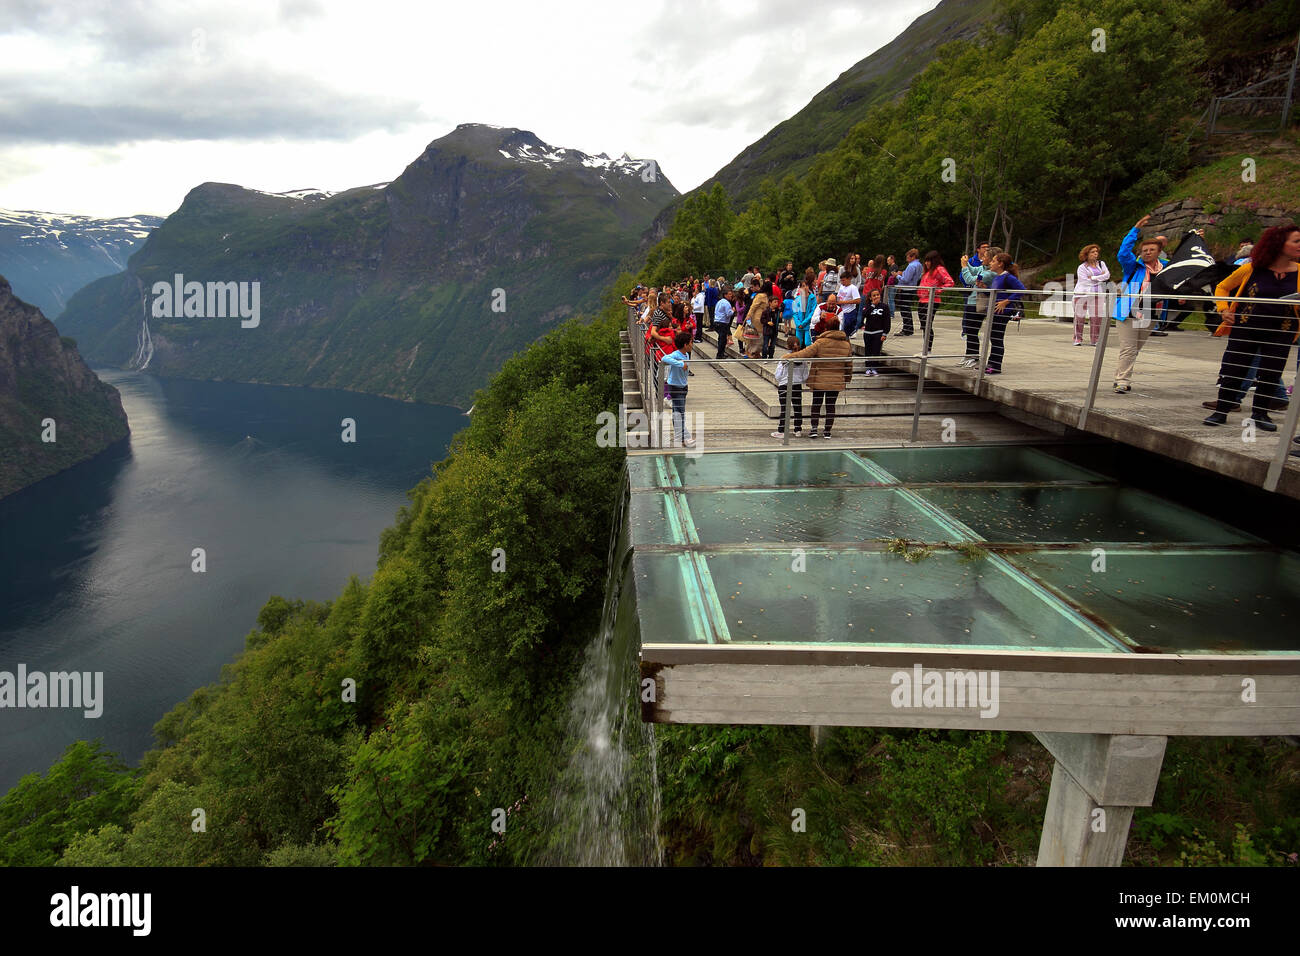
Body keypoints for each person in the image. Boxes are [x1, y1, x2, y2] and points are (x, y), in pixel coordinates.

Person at [1203, 223, 1300, 431]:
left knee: (1271, 373)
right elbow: (1222, 287)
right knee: (1234, 369)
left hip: (1282, 331)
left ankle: (1260, 413)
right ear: (1279, 243)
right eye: (1296, 241)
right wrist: (1224, 309)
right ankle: (1221, 411)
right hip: (1246, 328)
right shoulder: (1252, 268)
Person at [1112, 215, 1166, 394]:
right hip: (1128, 311)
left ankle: (1120, 374)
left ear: (1159, 252)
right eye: (1145, 250)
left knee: (1135, 348)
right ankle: (1122, 381)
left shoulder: (1166, 268)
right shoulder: (1134, 266)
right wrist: (1135, 230)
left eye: (1152, 249)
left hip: (1151, 312)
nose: (1148, 252)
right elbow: (1122, 253)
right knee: (1128, 348)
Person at [785, 315, 853, 439]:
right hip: (836, 380)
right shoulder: (846, 344)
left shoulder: (820, 342)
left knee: (816, 403)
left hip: (819, 379)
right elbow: (849, 364)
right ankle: (827, 431)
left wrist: (787, 357)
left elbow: (804, 353)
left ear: (826, 328)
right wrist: (847, 379)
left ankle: (814, 429)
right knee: (830, 405)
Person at [985, 253, 1025, 375]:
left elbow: (1022, 290)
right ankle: (991, 363)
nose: (991, 263)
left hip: (1002, 313)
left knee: (997, 338)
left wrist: (1006, 301)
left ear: (1000, 264)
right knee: (993, 337)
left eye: (993, 261)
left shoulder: (1008, 277)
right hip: (995, 312)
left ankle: (996, 365)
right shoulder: (997, 277)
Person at [659, 331, 696, 448]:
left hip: (683, 386)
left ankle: (680, 437)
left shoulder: (687, 355)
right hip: (675, 387)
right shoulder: (676, 354)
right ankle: (685, 437)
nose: (692, 344)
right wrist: (680, 364)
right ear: (685, 345)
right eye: (691, 342)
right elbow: (665, 358)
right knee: (681, 413)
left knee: (677, 412)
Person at [959, 251, 995, 367]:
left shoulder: (989, 273)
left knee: (972, 330)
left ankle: (974, 356)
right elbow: (974, 270)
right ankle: (969, 354)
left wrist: (964, 267)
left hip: (978, 304)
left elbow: (970, 279)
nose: (982, 258)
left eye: (985, 256)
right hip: (971, 302)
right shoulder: (982, 268)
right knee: (969, 330)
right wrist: (966, 263)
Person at [916, 250, 954, 355]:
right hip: (922, 300)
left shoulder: (939, 269)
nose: (927, 263)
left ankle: (927, 350)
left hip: (931, 300)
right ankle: (925, 349)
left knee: (927, 325)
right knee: (924, 325)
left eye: (929, 261)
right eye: (926, 261)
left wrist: (936, 290)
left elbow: (950, 282)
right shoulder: (927, 272)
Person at [771, 334, 809, 438]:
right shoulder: (803, 360)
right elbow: (805, 375)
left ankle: (781, 430)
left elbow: (778, 375)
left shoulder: (784, 359)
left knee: (785, 408)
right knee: (797, 408)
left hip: (784, 385)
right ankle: (798, 430)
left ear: (788, 346)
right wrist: (799, 380)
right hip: (797, 385)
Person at [1074, 244, 1111, 346]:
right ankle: (1078, 339)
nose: (1095, 254)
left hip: (1098, 293)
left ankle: (1095, 340)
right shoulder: (1082, 267)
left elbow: (1107, 275)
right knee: (1079, 317)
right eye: (1092, 252)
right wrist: (1100, 277)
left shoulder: (1101, 264)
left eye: (1096, 252)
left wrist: (1093, 278)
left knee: (1096, 317)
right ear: (1087, 254)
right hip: (1082, 294)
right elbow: (1085, 281)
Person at [861, 287, 891, 376]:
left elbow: (887, 321)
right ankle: (868, 368)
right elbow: (865, 314)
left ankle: (874, 368)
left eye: (877, 295)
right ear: (870, 297)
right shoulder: (867, 306)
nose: (876, 297)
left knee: (876, 351)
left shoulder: (884, 307)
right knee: (868, 351)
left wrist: (885, 333)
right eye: (874, 295)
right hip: (868, 333)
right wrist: (873, 305)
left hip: (878, 333)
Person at [896, 248, 922, 335]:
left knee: (904, 309)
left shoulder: (911, 266)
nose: (907, 258)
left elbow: (906, 279)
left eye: (908, 256)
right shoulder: (919, 265)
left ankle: (907, 328)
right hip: (912, 288)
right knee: (907, 309)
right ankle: (908, 328)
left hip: (906, 289)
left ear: (913, 256)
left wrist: (898, 276)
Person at [837, 270, 861, 340]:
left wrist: (844, 302)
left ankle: (851, 333)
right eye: (841, 281)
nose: (842, 282)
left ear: (849, 279)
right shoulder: (841, 286)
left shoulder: (853, 288)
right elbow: (839, 296)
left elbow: (858, 300)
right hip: (841, 310)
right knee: (841, 328)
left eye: (844, 280)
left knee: (847, 327)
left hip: (850, 311)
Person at [743, 291, 768, 358]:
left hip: (763, 318)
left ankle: (756, 352)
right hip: (757, 319)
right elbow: (753, 306)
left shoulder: (765, 296)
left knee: (759, 337)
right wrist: (749, 315)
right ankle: (751, 352)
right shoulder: (761, 296)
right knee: (755, 337)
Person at [712, 290, 735, 360]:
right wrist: (733, 311)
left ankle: (721, 353)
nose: (731, 295)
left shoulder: (719, 302)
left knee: (721, 338)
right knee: (723, 339)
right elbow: (728, 313)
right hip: (722, 322)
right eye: (729, 294)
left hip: (716, 321)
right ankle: (720, 354)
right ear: (725, 295)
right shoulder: (727, 303)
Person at [791, 279, 815, 347]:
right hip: (799, 324)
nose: (805, 287)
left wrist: (804, 323)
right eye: (803, 286)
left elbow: (812, 312)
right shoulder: (797, 299)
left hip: (808, 324)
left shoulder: (812, 298)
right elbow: (795, 313)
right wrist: (798, 323)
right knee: (798, 343)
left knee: (808, 342)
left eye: (806, 285)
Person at [761, 294, 780, 358]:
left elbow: (778, 320)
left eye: (777, 302)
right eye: (775, 302)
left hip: (774, 330)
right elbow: (762, 320)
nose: (776, 303)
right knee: (765, 344)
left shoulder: (777, 311)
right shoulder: (766, 311)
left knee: (773, 345)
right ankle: (764, 356)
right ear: (770, 303)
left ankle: (771, 356)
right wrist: (767, 322)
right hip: (767, 330)